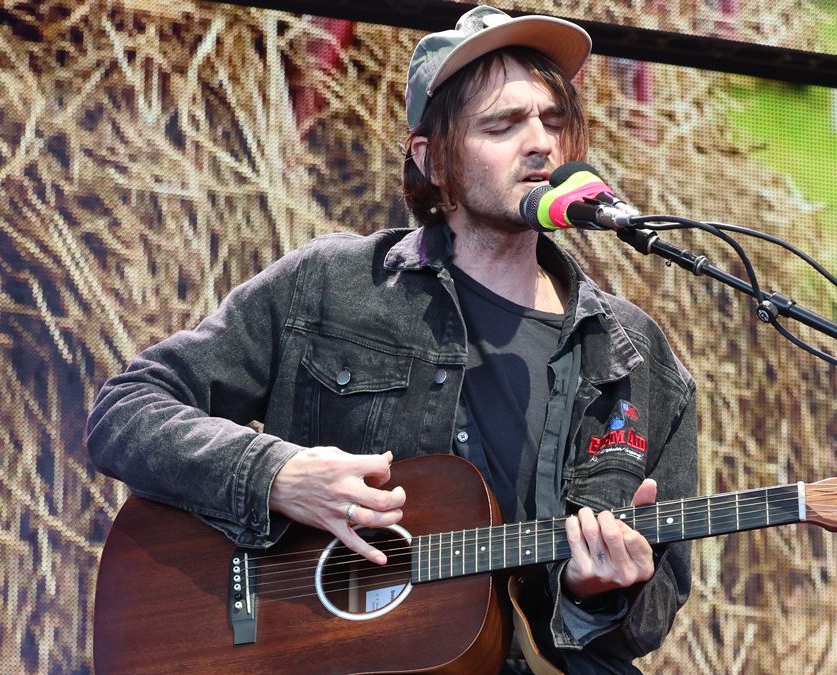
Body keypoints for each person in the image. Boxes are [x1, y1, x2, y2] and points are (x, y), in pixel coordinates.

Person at [87, 6, 696, 673]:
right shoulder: (331, 285)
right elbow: (126, 411)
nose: (541, 145)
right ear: (432, 158)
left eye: (554, 122)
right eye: (503, 124)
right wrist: (275, 476)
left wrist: (598, 594)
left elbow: (654, 608)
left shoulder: (635, 356)